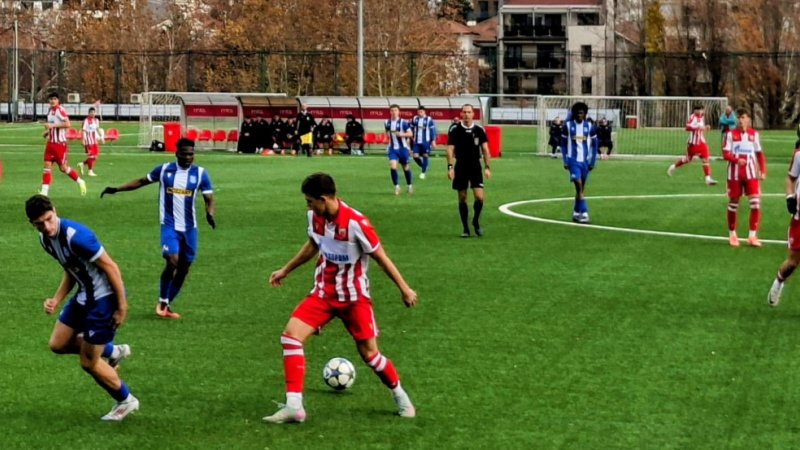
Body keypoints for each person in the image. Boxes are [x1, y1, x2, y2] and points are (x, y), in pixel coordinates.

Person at [262, 172, 418, 424]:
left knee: (370, 355)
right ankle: (294, 406)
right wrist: (285, 269)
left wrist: (405, 289)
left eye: (310, 201)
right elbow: (313, 245)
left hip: (354, 298)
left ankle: (400, 396)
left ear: (324, 199)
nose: (308, 207)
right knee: (290, 336)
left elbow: (381, 257)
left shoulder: (356, 223)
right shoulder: (315, 217)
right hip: (323, 294)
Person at [25, 194, 138, 421]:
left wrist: (121, 307)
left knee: (89, 362)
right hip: (85, 295)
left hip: (105, 299)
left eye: (49, 219)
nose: (47, 227)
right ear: (32, 224)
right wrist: (56, 299)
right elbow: (71, 269)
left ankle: (126, 400)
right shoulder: (45, 240)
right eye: (40, 224)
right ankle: (113, 351)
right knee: (58, 344)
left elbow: (111, 267)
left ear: (55, 210)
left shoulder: (78, 237)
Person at [100, 138, 215, 320]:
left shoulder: (200, 174)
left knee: (184, 269)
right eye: (184, 154)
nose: (188, 157)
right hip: (169, 226)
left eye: (191, 154)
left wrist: (210, 213)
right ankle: (162, 301)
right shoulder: (164, 170)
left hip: (189, 228)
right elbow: (141, 181)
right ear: (176, 153)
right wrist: (117, 189)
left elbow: (209, 198)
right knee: (172, 260)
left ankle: (166, 304)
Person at [722, 109, 766, 247]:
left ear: (748, 119)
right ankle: (732, 235)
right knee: (734, 203)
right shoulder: (730, 134)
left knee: (756, 204)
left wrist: (763, 170)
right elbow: (725, 154)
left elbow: (759, 154)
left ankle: (752, 236)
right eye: (739, 118)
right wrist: (736, 160)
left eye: (743, 117)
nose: (741, 121)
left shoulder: (754, 134)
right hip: (734, 175)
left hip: (751, 174)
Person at [446, 104, 491, 237]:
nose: (466, 115)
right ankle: (466, 229)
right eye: (464, 112)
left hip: (475, 166)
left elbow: (485, 150)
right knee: (462, 197)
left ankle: (475, 221)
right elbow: (450, 149)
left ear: (473, 114)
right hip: (461, 166)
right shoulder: (455, 130)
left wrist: (487, 167)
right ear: (461, 114)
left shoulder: (479, 130)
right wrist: (450, 167)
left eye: (469, 112)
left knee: (479, 197)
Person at [768, 141, 800, 307]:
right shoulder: (799, 155)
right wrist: (789, 197)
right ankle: (779, 282)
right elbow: (790, 178)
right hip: (799, 218)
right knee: (793, 262)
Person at [40, 92, 87, 197]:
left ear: (58, 100)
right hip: (50, 144)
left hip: (59, 145)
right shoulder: (50, 111)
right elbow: (52, 126)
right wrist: (47, 132)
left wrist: (52, 126)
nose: (52, 101)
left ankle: (80, 181)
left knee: (63, 168)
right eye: (51, 99)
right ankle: (44, 192)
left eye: (54, 99)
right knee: (47, 167)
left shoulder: (60, 110)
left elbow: (68, 124)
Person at [561, 102, 598, 224]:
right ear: (574, 113)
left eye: (581, 113)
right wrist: (565, 160)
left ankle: (576, 213)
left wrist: (592, 161)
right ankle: (585, 213)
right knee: (578, 184)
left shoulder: (590, 126)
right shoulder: (568, 126)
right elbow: (563, 144)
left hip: (585, 162)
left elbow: (595, 144)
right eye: (577, 113)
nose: (579, 115)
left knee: (580, 189)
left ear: (585, 114)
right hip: (573, 161)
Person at [667, 104, 717, 186]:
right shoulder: (693, 117)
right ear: (695, 111)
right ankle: (673, 167)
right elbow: (687, 127)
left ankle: (708, 179)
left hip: (701, 142)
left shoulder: (702, 117)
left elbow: (701, 128)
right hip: (693, 143)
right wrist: (697, 127)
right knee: (688, 159)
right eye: (697, 110)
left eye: (701, 110)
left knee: (705, 159)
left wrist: (705, 128)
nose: (699, 111)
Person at [385, 104, 414, 195]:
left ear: (399, 112)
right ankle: (396, 187)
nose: (393, 112)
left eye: (395, 110)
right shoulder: (387, 122)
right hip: (393, 149)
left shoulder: (403, 122)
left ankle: (409, 185)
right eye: (392, 110)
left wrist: (402, 134)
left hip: (403, 149)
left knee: (406, 167)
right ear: (390, 112)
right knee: (393, 166)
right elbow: (387, 133)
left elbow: (410, 134)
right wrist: (388, 142)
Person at [410, 106, 437, 179]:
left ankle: (423, 173)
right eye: (418, 112)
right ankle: (423, 166)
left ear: (424, 112)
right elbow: (411, 128)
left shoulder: (429, 119)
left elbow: (432, 130)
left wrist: (433, 140)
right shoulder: (414, 118)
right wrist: (410, 137)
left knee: (425, 155)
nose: (419, 113)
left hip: (426, 142)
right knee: (415, 156)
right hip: (416, 142)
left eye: (421, 112)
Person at [78, 107, 101, 176]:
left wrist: (101, 136)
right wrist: (83, 140)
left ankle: (82, 164)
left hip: (94, 140)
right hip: (88, 140)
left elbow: (97, 129)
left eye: (94, 112)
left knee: (95, 156)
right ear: (89, 113)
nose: (93, 113)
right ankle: (90, 171)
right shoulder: (86, 120)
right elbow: (83, 130)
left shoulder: (96, 120)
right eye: (91, 112)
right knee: (91, 156)